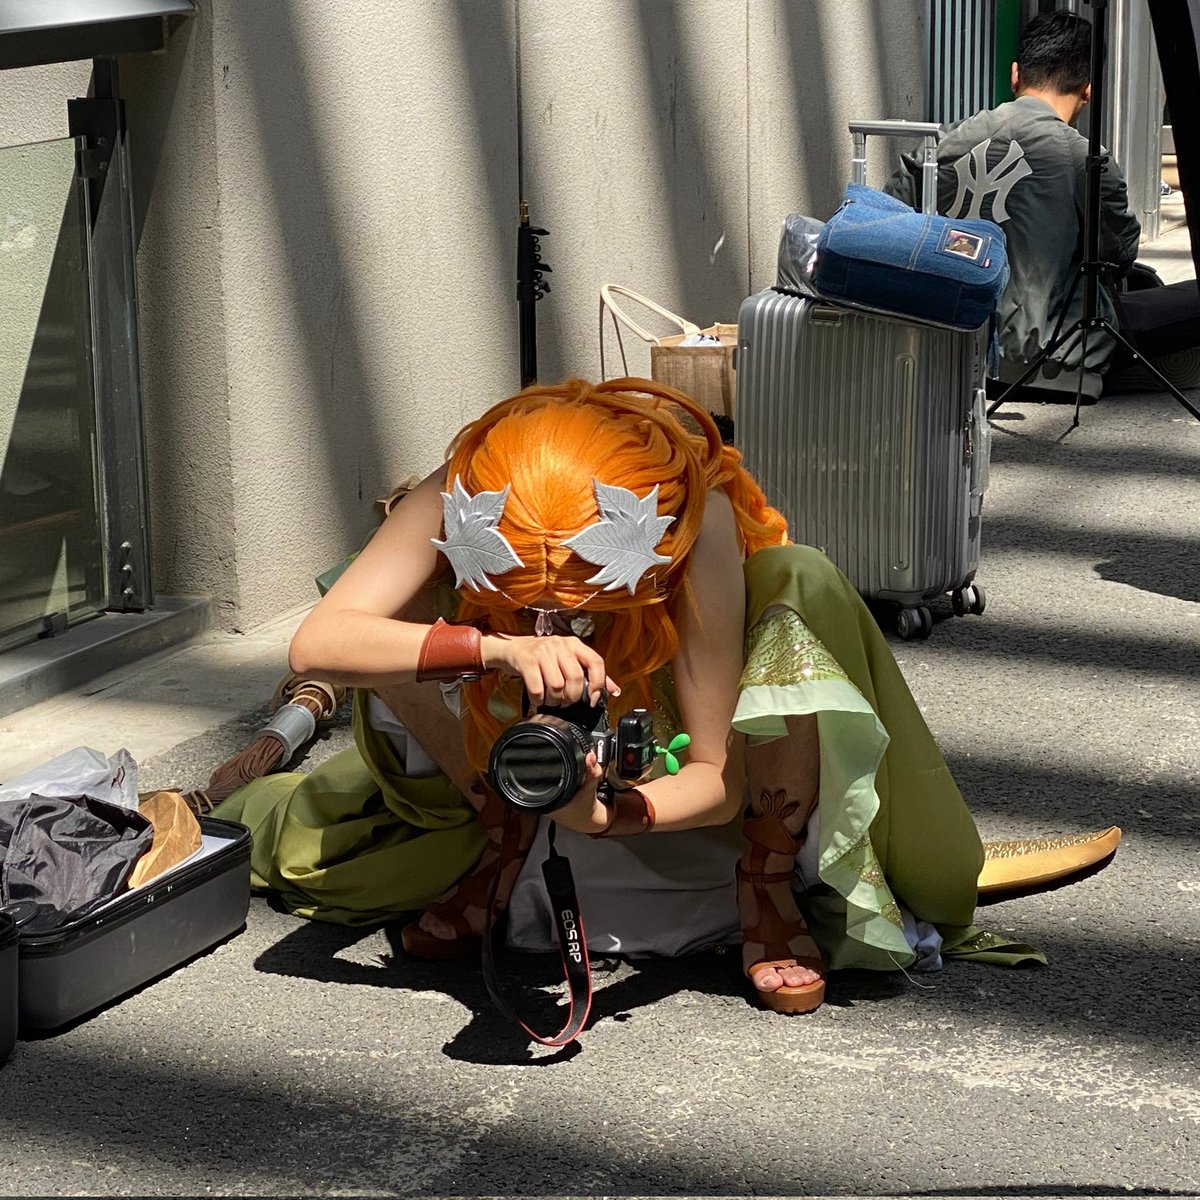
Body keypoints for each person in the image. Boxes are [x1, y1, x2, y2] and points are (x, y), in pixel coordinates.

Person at [213, 377, 1057, 1019]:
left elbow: (717, 772)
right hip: (500, 734)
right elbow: (318, 645)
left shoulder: (697, 514)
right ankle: (499, 832)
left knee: (797, 585)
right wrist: (501, 647)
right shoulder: (464, 490)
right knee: (389, 619)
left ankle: (766, 880)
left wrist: (602, 815)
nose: (559, 624)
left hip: (678, 758)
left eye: (585, 605)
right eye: (532, 602)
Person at [885, 10, 1198, 401]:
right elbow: (1117, 255)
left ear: (1015, 75)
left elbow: (889, 222)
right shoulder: (1085, 159)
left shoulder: (942, 143)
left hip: (949, 354)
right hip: (1049, 363)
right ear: (1088, 90)